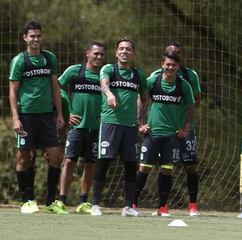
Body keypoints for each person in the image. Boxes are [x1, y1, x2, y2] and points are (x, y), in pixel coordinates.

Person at [9, 20, 64, 214]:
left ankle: (50, 202)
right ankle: (27, 201)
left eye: (38, 36)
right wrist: (15, 118)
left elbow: (55, 88)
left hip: (46, 116)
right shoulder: (19, 61)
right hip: (26, 116)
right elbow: (13, 91)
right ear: (25, 37)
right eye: (32, 36)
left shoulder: (49, 58)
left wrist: (59, 113)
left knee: (56, 156)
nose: (36, 39)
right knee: (25, 156)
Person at [91, 38, 148, 217]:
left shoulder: (138, 75)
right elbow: (104, 84)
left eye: (128, 49)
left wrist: (140, 119)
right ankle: (95, 204)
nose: (124, 51)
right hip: (110, 123)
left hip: (130, 127)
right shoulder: (108, 69)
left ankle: (128, 206)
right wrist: (109, 94)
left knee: (131, 165)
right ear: (116, 53)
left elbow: (145, 98)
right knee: (104, 162)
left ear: (133, 53)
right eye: (121, 49)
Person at [142, 42, 201, 216]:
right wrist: (145, 122)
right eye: (170, 54)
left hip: (184, 129)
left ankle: (192, 205)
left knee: (190, 165)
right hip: (162, 130)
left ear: (180, 59)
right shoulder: (155, 76)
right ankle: (162, 206)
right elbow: (145, 100)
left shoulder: (190, 76)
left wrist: (180, 114)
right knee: (163, 166)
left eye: (177, 55)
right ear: (164, 58)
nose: (173, 57)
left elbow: (196, 100)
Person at [48, 41, 105, 214]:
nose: (99, 57)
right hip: (76, 128)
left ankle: (83, 202)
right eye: (96, 53)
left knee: (90, 164)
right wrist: (67, 112)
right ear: (88, 53)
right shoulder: (75, 71)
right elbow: (58, 86)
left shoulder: (104, 76)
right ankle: (62, 200)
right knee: (70, 161)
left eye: (102, 54)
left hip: (96, 128)